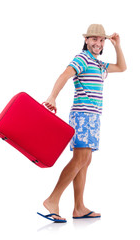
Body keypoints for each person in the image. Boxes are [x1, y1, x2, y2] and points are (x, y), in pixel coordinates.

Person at [38, 24, 127, 222]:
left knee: (85, 161)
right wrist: (52, 97)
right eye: (94, 39)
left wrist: (117, 45)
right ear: (86, 40)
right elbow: (65, 74)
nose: (98, 43)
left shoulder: (98, 64)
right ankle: (52, 200)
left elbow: (122, 67)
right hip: (83, 116)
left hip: (93, 117)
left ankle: (79, 207)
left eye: (101, 40)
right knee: (80, 159)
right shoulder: (83, 58)